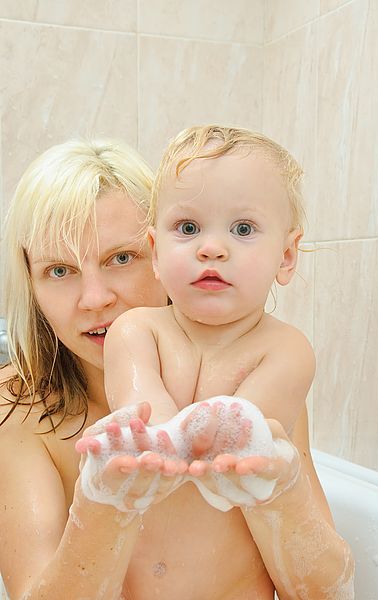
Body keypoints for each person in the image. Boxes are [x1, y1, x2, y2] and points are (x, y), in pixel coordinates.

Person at [0, 135, 354, 600]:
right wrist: (105, 503)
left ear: (161, 257)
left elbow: (325, 591)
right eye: (59, 271)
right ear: (31, 283)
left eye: (121, 259)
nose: (94, 299)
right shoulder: (17, 406)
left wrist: (280, 495)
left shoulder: (255, 372)